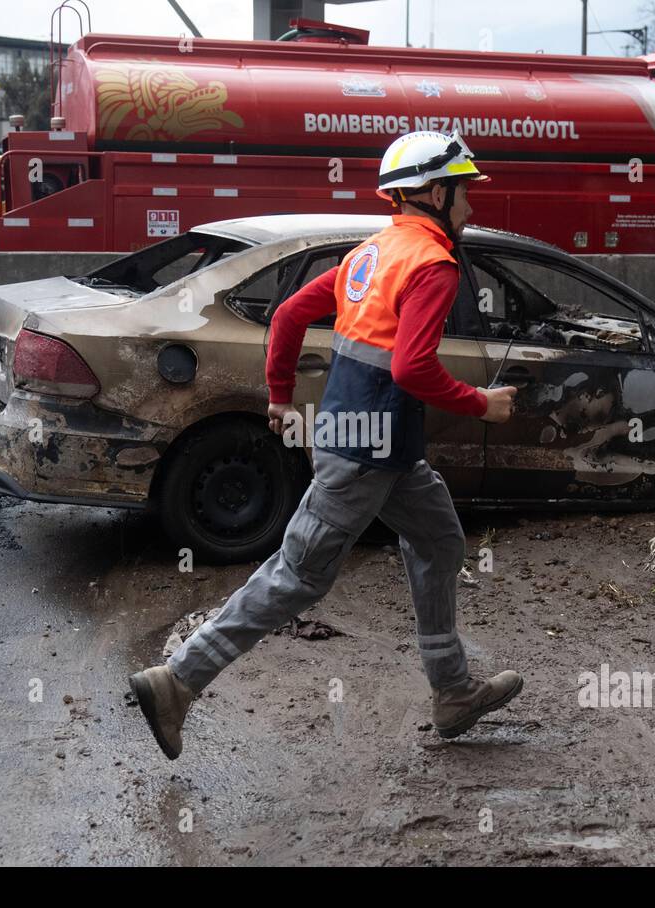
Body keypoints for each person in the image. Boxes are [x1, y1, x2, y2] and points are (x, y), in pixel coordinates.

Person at [128, 130, 524, 760]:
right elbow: (413, 370)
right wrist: (483, 404)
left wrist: (282, 397)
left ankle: (453, 692)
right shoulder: (433, 266)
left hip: (384, 451)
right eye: (465, 193)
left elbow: (286, 317)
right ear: (435, 192)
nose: (471, 208)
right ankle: (178, 680)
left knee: (439, 539)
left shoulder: (371, 253)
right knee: (298, 577)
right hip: (364, 454)